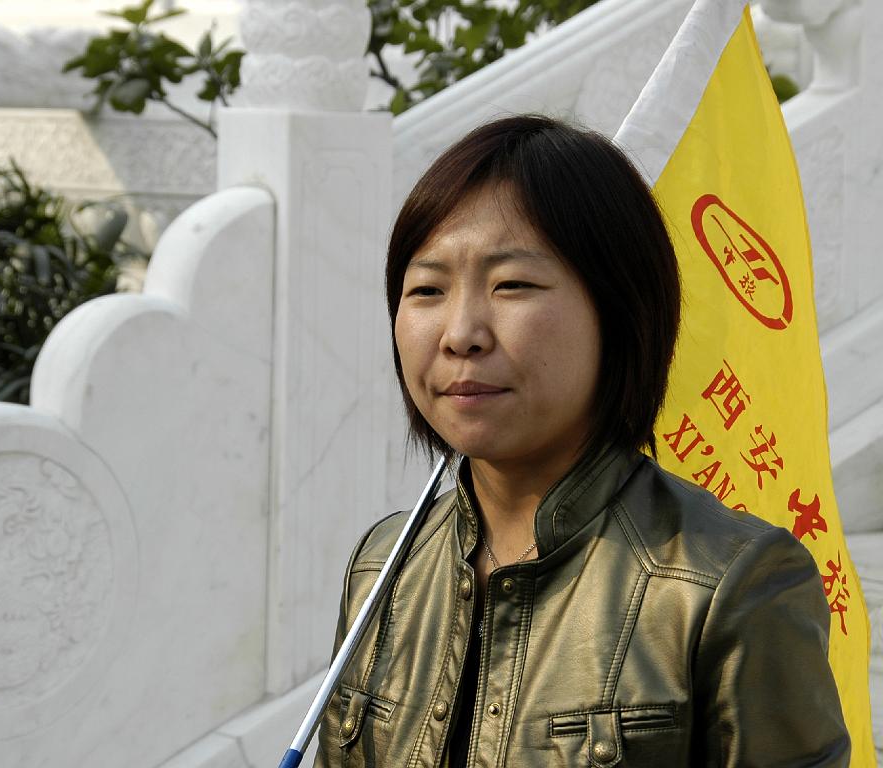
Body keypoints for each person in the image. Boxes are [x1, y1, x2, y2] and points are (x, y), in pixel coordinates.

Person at [313, 115, 850, 767]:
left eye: (512, 285)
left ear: (619, 313)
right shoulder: (384, 565)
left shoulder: (726, 585)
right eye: (426, 289)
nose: (460, 333)